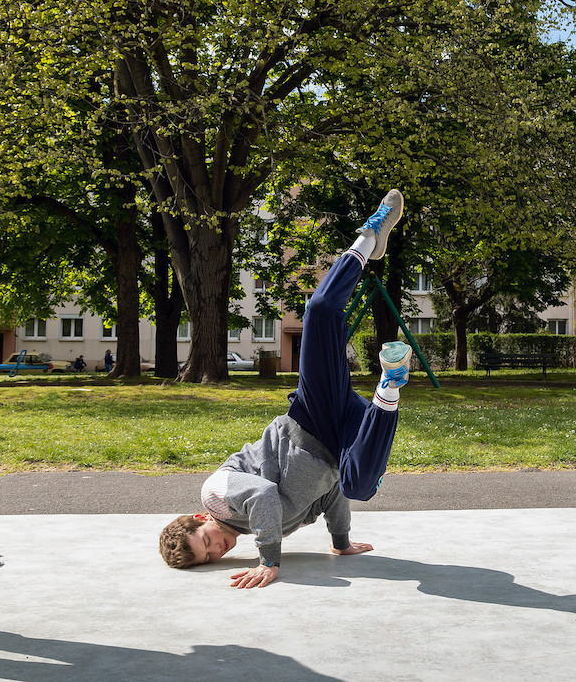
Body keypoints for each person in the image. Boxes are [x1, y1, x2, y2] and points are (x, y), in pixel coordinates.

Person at [159, 189, 410, 588]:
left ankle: (368, 237)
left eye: (207, 541)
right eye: (211, 557)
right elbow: (329, 497)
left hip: (312, 418)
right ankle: (390, 382)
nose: (219, 549)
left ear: (201, 519)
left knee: (319, 312)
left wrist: (269, 560)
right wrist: (340, 541)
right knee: (357, 485)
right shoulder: (270, 525)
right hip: (338, 445)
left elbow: (262, 495)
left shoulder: (216, 494)